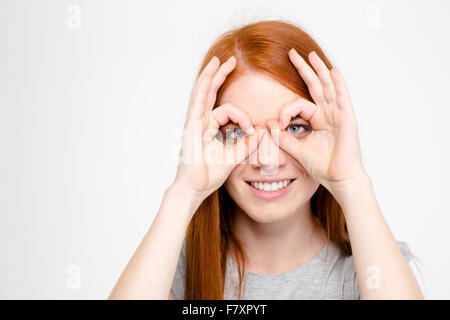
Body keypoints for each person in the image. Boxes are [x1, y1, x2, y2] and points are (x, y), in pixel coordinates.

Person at [108, 20, 423, 300]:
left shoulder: (372, 266)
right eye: (236, 132)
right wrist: (184, 192)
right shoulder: (175, 270)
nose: (267, 160)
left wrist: (352, 182)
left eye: (295, 127)